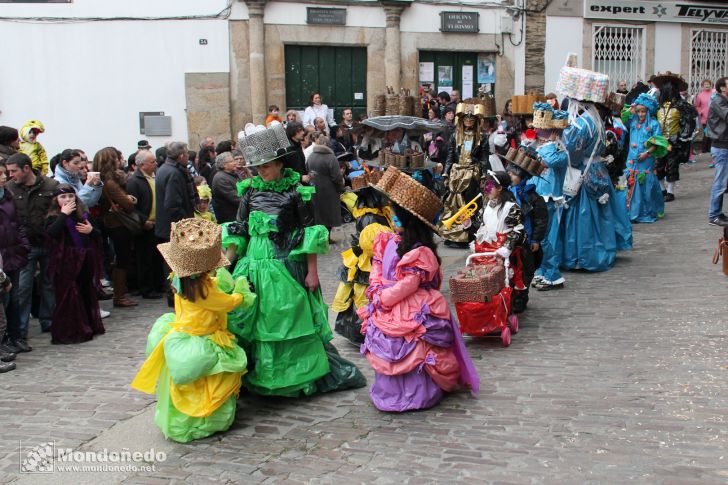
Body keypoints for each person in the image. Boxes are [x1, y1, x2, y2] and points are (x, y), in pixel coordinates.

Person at [223, 137, 365, 397]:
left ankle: (293, 378)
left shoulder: (297, 193)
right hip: (254, 265)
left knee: (287, 318)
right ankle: (259, 375)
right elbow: (240, 229)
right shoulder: (250, 191)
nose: (261, 171)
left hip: (287, 265)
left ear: (279, 163)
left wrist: (312, 271)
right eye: (258, 167)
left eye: (266, 165)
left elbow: (308, 233)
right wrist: (225, 265)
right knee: (257, 319)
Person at [359, 166, 479, 412]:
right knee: (388, 348)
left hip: (410, 304)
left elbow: (409, 284)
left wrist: (384, 298)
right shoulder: (387, 241)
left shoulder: (420, 252)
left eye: (397, 214)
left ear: (410, 219)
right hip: (387, 301)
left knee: (414, 346)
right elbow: (377, 266)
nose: (392, 218)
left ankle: (417, 393)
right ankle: (390, 392)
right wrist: (375, 288)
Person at [131, 218, 250, 443]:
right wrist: (242, 294)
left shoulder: (179, 280)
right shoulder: (205, 289)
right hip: (203, 338)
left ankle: (182, 419)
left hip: (182, 333)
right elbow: (227, 304)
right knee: (208, 381)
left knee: (185, 385)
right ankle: (205, 421)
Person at [561, 95, 632, 272]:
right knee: (601, 213)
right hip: (599, 169)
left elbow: (573, 154)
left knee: (583, 214)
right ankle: (603, 248)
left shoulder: (580, 124)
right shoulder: (596, 120)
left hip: (584, 172)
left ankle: (582, 255)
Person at [6, 152, 59, 351]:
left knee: (48, 283)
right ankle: (20, 331)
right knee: (23, 288)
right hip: (25, 246)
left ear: (26, 168)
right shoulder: (10, 189)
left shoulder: (50, 186)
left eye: (14, 171)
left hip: (48, 242)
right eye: (8, 172)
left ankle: (48, 319)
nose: (11, 175)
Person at [332, 185, 393, 346]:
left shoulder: (372, 213)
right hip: (368, 262)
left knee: (365, 293)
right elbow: (373, 244)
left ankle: (366, 329)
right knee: (364, 294)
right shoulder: (370, 217)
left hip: (368, 259)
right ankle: (363, 331)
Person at [45, 185, 104, 344]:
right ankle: (70, 329)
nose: (68, 200)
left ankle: (88, 324)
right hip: (65, 261)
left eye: (71, 197)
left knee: (85, 290)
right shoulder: (54, 217)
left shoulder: (82, 214)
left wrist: (91, 230)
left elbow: (98, 234)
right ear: (56, 200)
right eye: (63, 197)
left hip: (84, 257)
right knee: (69, 294)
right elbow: (52, 233)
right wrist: (63, 215)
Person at [528, 108, 569, 291]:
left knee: (544, 238)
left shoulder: (559, 150)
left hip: (550, 198)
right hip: (538, 197)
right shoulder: (542, 148)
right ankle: (542, 271)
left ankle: (553, 274)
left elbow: (550, 162)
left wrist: (551, 143)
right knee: (538, 237)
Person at [440, 100, 490, 248]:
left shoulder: (482, 137)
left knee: (468, 205)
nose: (468, 121)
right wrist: (446, 174)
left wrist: (483, 176)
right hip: (456, 173)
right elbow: (450, 156)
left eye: (471, 119)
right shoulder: (455, 135)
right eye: (466, 119)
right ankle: (452, 235)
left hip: (471, 173)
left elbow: (484, 159)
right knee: (453, 204)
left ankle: (466, 235)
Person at [94, 147, 138, 308]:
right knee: (122, 260)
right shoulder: (110, 182)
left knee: (121, 259)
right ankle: (120, 295)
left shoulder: (105, 180)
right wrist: (130, 200)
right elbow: (127, 204)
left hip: (113, 223)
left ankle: (120, 294)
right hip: (118, 224)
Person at [621, 91, 667, 223]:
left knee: (645, 182)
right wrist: (632, 107)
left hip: (646, 160)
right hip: (632, 158)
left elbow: (658, 143)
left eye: (643, 111)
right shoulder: (633, 122)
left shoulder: (653, 124)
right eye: (639, 111)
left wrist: (647, 153)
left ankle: (646, 210)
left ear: (648, 111)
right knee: (631, 181)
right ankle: (631, 211)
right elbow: (624, 116)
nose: (640, 114)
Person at [0, 160, 29, 363]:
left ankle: (15, 336)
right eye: (1, 174)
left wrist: (23, 245)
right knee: (4, 300)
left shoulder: (7, 196)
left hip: (13, 252)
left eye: (5, 173)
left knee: (15, 298)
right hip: (1, 255)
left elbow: (17, 223)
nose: (5, 177)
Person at [653, 73, 698, 202]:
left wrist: (682, 137)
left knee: (672, 165)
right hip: (660, 141)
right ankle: (662, 190)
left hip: (674, 141)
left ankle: (670, 192)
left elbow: (690, 121)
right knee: (658, 165)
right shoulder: (657, 106)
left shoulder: (681, 105)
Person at [126, 149, 164, 299]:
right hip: (145, 224)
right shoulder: (134, 181)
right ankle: (147, 288)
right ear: (142, 165)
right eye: (152, 162)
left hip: (157, 223)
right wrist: (143, 221)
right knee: (145, 258)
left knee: (157, 257)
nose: (155, 164)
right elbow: (132, 207)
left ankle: (158, 284)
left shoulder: (155, 177)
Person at [155, 142, 196, 243]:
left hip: (166, 225)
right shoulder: (174, 173)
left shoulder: (164, 168)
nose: (188, 157)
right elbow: (172, 204)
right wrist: (186, 223)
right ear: (181, 156)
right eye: (187, 154)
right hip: (175, 228)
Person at [306, 134, 346, 237]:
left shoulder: (311, 156)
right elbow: (336, 177)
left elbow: (307, 170)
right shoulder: (331, 158)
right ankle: (326, 238)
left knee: (318, 215)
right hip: (329, 191)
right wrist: (341, 188)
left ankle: (320, 238)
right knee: (328, 215)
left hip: (314, 189)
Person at [707, 77, 728, 227]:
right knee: (720, 182)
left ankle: (718, 212)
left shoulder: (722, 100)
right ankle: (713, 215)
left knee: (723, 181)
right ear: (722, 88)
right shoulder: (718, 101)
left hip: (724, 146)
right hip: (721, 147)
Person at [211, 152, 242, 224]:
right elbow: (236, 198)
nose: (235, 163)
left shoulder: (232, 174)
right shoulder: (221, 179)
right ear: (224, 165)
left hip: (237, 215)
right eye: (231, 161)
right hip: (230, 219)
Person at [695, 79, 715, 155]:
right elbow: (697, 106)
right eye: (705, 84)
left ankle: (710, 149)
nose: (707, 85)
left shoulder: (714, 94)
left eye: (708, 84)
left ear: (711, 85)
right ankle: (704, 149)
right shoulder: (700, 95)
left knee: (712, 133)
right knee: (706, 133)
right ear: (702, 86)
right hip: (704, 118)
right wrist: (701, 112)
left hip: (713, 117)